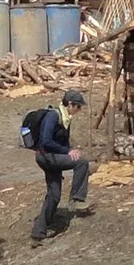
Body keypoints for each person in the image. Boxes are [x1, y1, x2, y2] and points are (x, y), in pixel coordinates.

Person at [26, 88, 92, 244]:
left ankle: (38, 232)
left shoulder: (66, 118)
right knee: (82, 162)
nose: (79, 110)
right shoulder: (53, 116)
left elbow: (63, 141)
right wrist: (67, 152)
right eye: (78, 106)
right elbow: (46, 141)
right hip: (46, 157)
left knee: (54, 195)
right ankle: (77, 198)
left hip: (52, 158)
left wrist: (65, 153)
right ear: (70, 104)